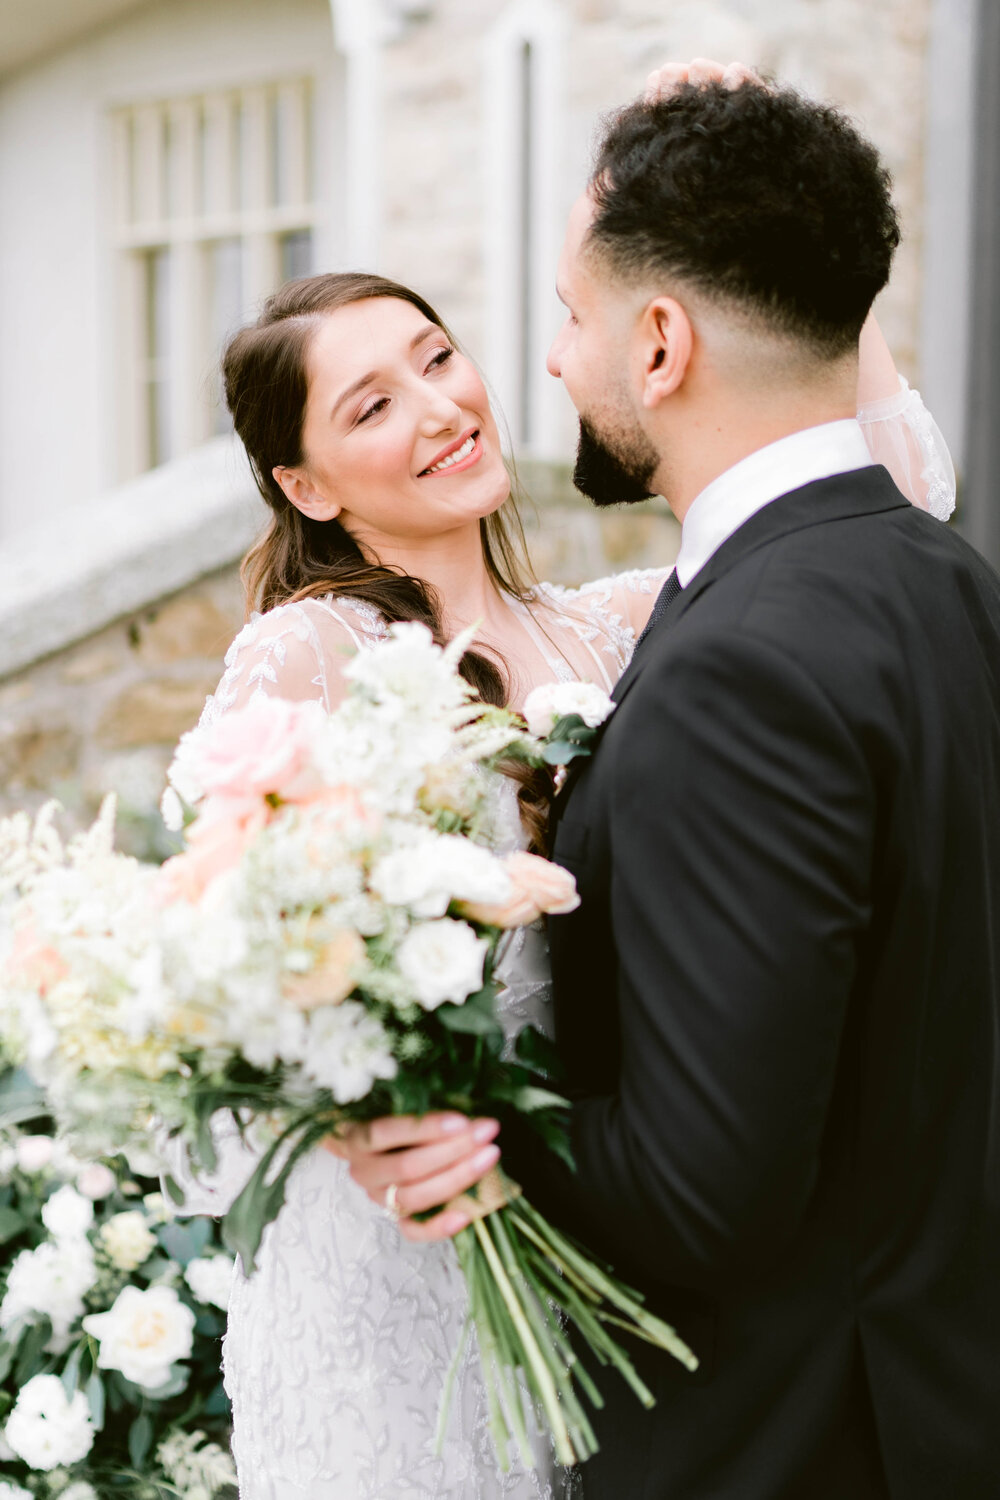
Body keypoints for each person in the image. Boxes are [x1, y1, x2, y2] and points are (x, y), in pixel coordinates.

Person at [178, 71, 959, 1500]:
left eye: (437, 354)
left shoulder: (621, 628)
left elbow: (873, 469)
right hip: (425, 1269)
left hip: (621, 1275)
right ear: (305, 486)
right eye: (372, 400)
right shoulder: (310, 662)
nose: (441, 404)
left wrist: (767, 251)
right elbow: (224, 948)